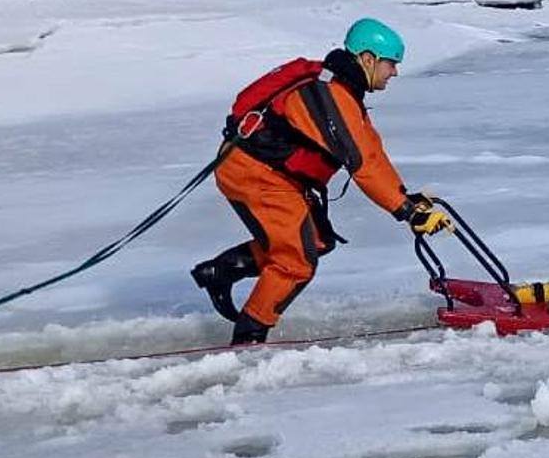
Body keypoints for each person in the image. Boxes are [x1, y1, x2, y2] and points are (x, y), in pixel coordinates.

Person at [190, 18, 452, 344]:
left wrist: (404, 198)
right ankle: (249, 338)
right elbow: (362, 164)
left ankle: (222, 271)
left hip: (273, 174)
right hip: (255, 175)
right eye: (391, 64)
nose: (394, 73)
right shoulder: (331, 95)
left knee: (315, 241)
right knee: (296, 260)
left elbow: (370, 151)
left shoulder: (341, 88)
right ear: (368, 59)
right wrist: (406, 212)